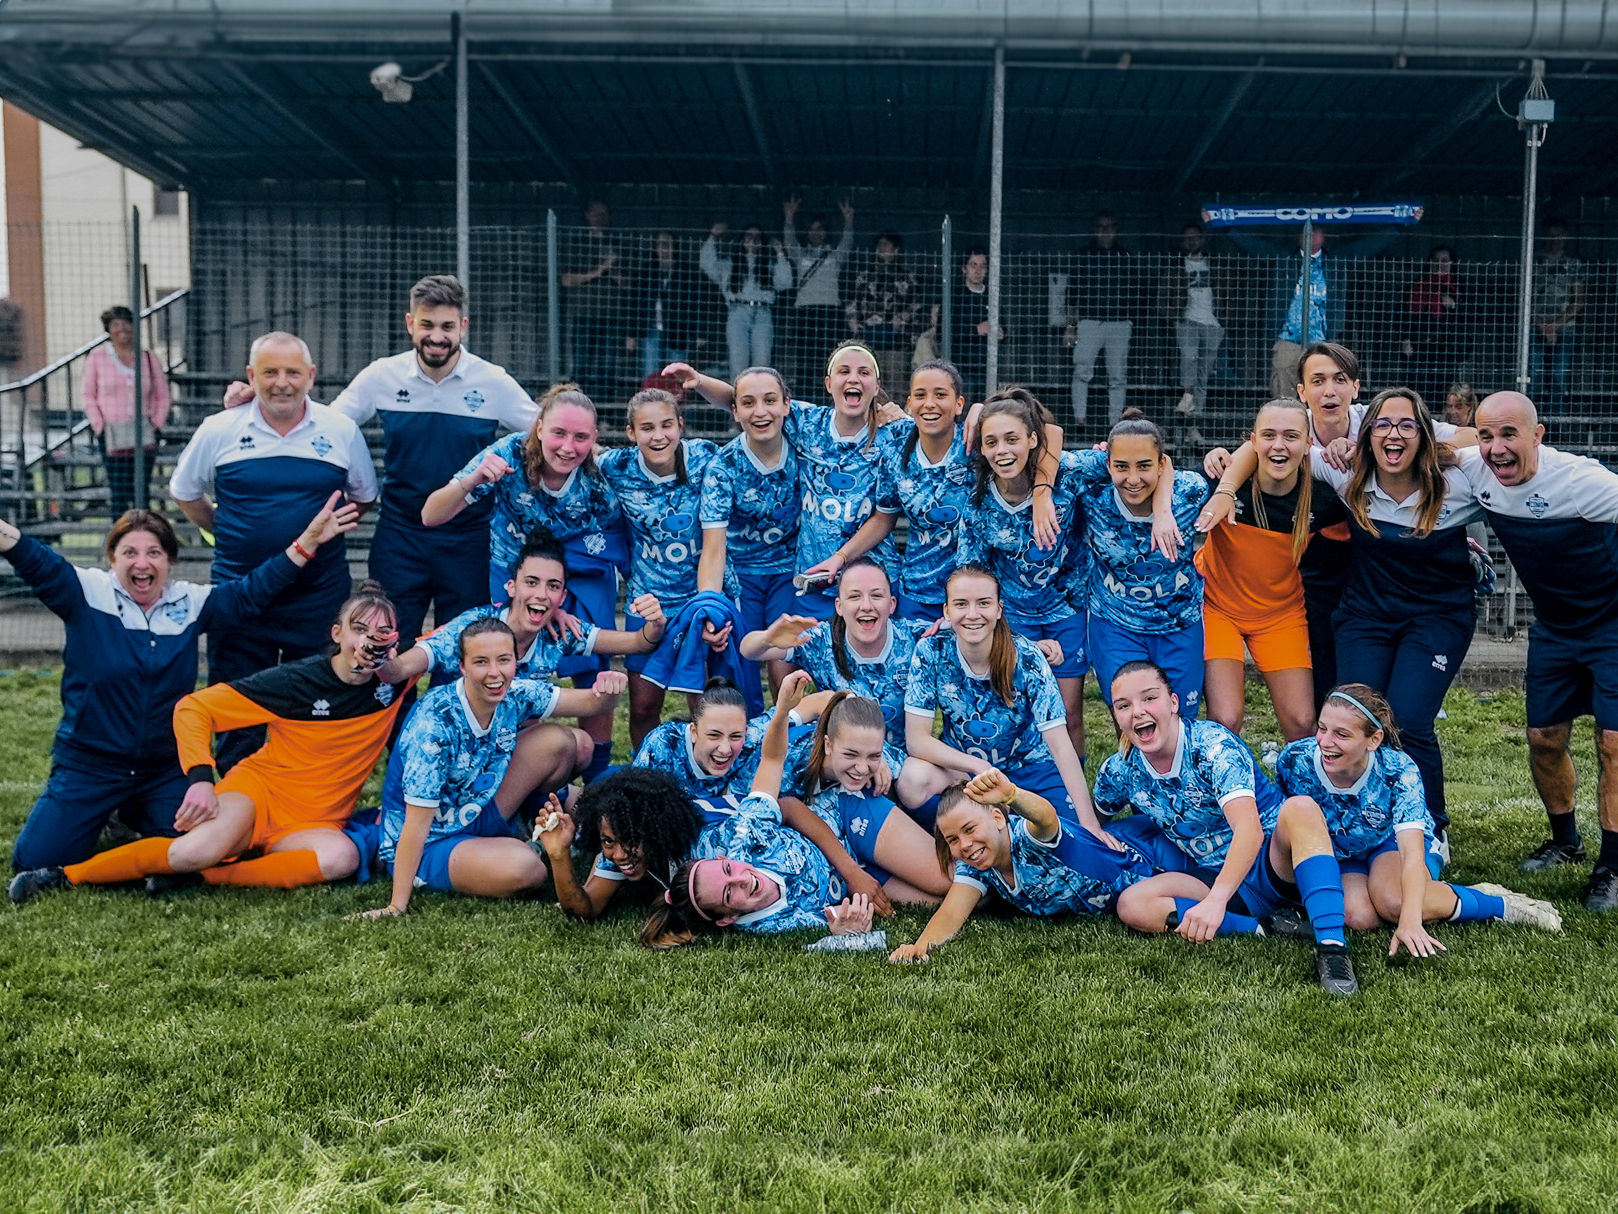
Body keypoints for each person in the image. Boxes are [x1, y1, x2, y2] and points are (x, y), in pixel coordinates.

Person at [4, 496, 357, 876]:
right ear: (112, 559)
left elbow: (252, 592)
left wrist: (307, 543)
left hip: (162, 768)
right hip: (91, 764)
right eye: (130, 552)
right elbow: (31, 556)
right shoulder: (86, 592)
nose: (142, 563)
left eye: (154, 552)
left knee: (196, 854)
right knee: (35, 861)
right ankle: (106, 810)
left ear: (170, 561)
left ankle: (131, 812)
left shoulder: (189, 602)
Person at [11, 583, 409, 902]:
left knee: (341, 859)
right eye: (359, 629)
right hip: (260, 793)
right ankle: (66, 875)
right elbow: (194, 708)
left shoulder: (396, 677)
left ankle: (206, 878)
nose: (368, 641)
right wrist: (201, 779)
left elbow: (446, 634)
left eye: (381, 633)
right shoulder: (297, 681)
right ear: (337, 633)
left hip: (317, 820)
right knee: (193, 850)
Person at [1201, 341, 1471, 713]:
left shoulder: (1377, 424)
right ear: (1302, 392)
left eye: (1339, 379)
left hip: (1372, 558)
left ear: (1356, 387)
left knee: (1389, 684)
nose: (1329, 390)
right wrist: (1226, 484)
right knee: (1329, 677)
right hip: (1317, 562)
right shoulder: (1294, 428)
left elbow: (1468, 437)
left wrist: (1378, 453)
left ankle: (1405, 704)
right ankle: (1332, 727)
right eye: (1318, 380)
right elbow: (1255, 447)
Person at [282, 274, 540, 647]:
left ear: (463, 327)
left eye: (447, 326)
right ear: (410, 324)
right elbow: (326, 425)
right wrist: (258, 403)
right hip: (400, 536)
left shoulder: (492, 381)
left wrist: (600, 455)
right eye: (427, 325)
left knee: (464, 648)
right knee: (388, 644)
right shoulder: (382, 376)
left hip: (469, 539)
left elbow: (548, 432)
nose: (437, 336)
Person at [169, 331, 378, 772]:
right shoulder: (219, 429)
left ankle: (307, 801)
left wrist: (324, 531)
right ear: (251, 375)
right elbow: (185, 492)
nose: (282, 382)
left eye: (292, 372)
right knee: (237, 719)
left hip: (317, 599)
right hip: (242, 599)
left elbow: (363, 495)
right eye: (270, 372)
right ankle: (236, 801)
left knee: (315, 716)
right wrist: (225, 529)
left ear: (311, 376)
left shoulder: (340, 430)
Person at [1096, 661, 1359, 997]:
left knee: (1301, 808)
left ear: (1173, 702)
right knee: (1133, 905)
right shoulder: (1120, 770)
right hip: (1216, 874)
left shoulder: (1213, 746)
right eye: (1123, 706)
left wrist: (1215, 901)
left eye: (1149, 698)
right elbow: (1094, 820)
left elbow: (1250, 831)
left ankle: (1333, 950)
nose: (1137, 712)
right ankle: (1267, 928)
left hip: (1272, 863)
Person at [1300, 388, 1480, 842]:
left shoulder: (1459, 480)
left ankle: (1430, 828)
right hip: (1366, 619)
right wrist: (1224, 470)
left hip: (1437, 618)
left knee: (1409, 721)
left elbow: (1497, 447)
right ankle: (1361, 822)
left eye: (1406, 425)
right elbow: (1279, 446)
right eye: (1382, 424)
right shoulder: (1348, 474)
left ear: (1424, 435)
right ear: (1367, 435)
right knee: (1356, 717)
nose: (1393, 434)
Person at [421, 384, 624, 782]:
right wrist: (473, 479)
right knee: (510, 662)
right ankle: (506, 763)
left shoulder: (599, 477)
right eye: (558, 433)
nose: (568, 447)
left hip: (580, 570)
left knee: (590, 661)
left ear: (594, 439)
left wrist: (559, 596)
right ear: (539, 427)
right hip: (513, 571)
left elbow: (619, 536)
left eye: (581, 437)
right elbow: (431, 514)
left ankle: (597, 783)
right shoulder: (509, 455)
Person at [1462, 391, 1618, 909]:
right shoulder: (1476, 468)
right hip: (1554, 629)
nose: (1497, 448)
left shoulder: (1583, 482)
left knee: (1613, 743)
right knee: (1543, 738)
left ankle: (1612, 867)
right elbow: (1430, 442)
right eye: (1486, 436)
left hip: (1613, 627)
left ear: (1538, 435)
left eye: (1509, 434)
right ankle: (1566, 842)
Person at [361, 618, 628, 916]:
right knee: (526, 869)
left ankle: (524, 825)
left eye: (504, 660)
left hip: (481, 804)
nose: (494, 672)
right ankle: (516, 843)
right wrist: (396, 905)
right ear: (461, 667)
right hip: (432, 838)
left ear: (516, 661)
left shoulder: (515, 693)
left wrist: (611, 688)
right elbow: (416, 824)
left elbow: (592, 703)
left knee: (559, 741)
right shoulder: (434, 725)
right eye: (481, 662)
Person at [1275, 683, 1561, 953]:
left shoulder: (1399, 770)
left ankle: (1498, 904)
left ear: (1374, 739)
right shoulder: (1295, 759)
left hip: (1390, 844)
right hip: (1341, 855)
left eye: (1342, 734)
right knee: (1358, 917)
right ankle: (1441, 895)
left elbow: (1411, 854)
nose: (1325, 741)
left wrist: (1410, 922)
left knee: (1394, 903)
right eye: (1322, 728)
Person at [955, 388, 1135, 763]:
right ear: (982, 449)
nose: (1002, 451)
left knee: (1068, 713)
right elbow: (971, 571)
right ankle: (1020, 786)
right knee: (1018, 711)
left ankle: (1071, 791)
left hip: (1067, 610)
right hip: (1013, 615)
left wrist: (1045, 489)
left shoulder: (1067, 472)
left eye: (1012, 439)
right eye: (992, 442)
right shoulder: (978, 501)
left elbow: (1137, 457)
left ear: (1033, 440)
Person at [641, 671, 878, 944]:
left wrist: (869, 755)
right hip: (853, 871)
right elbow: (832, 925)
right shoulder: (766, 923)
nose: (740, 880)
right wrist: (846, 931)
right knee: (910, 895)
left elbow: (774, 758)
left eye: (728, 870)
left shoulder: (747, 831)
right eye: (728, 894)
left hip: (842, 819)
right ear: (728, 919)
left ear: (723, 858)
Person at [902, 564, 1116, 847]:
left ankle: (1009, 829)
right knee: (912, 779)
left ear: (999, 609)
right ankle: (948, 845)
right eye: (961, 604)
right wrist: (978, 766)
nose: (973, 614)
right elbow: (917, 741)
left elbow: (1060, 744)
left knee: (1068, 843)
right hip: (965, 772)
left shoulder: (1027, 657)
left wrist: (1089, 823)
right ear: (946, 611)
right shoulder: (931, 650)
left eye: (984, 603)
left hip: (1030, 768)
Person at [888, 768, 1160, 963]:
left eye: (970, 829)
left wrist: (1012, 795)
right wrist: (920, 947)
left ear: (997, 818)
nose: (965, 844)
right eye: (953, 840)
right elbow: (950, 914)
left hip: (1145, 864)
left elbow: (1047, 818)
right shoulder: (974, 865)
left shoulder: (1025, 837)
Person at [1194, 398, 1347, 742]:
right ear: (1253, 442)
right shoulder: (1223, 481)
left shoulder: (1323, 500)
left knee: (1302, 722)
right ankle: (1225, 777)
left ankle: (1299, 779)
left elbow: (1359, 540)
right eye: (1268, 435)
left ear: (1308, 444)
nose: (1279, 445)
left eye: (1291, 436)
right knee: (1225, 719)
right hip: (1218, 610)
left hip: (1281, 614)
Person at [598, 387, 731, 746]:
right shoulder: (616, 467)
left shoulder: (705, 458)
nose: (658, 436)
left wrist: (709, 606)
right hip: (647, 601)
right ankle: (647, 771)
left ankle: (705, 770)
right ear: (631, 433)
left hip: (698, 596)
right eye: (647, 428)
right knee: (643, 707)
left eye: (666, 425)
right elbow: (581, 457)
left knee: (705, 705)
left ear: (680, 425)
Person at [379, 526, 663, 693]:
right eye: (531, 582)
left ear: (562, 597)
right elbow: (398, 670)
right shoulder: (473, 627)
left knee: (571, 744)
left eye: (553, 586)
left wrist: (655, 622)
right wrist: (379, 657)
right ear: (511, 587)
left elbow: (638, 643)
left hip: (504, 744)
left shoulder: (559, 631)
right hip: (444, 743)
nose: (541, 594)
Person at [741, 559, 929, 803]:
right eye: (854, 597)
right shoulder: (821, 640)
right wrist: (768, 638)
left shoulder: (917, 638)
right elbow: (748, 650)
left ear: (892, 604)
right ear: (839, 606)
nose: (866, 606)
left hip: (901, 767)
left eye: (876, 596)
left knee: (917, 778)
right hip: (842, 765)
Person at [1077, 410, 1210, 721]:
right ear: (1107, 464)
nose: (1133, 478)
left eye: (1144, 466)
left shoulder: (1191, 492)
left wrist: (1163, 509)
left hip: (1179, 624)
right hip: (1116, 623)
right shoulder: (1091, 495)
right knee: (1130, 715)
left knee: (1179, 719)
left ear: (1162, 465)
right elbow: (1041, 451)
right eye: (1121, 466)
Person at [779, 691, 952, 909]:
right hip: (838, 830)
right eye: (850, 755)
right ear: (828, 745)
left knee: (948, 882)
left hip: (860, 811)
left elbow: (944, 778)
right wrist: (851, 872)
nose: (862, 768)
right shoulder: (789, 761)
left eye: (873, 755)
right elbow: (785, 806)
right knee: (940, 899)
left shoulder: (881, 758)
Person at [695, 366, 800, 699]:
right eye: (748, 403)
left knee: (784, 667)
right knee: (739, 670)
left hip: (791, 571)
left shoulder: (805, 449)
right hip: (741, 576)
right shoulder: (722, 467)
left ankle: (789, 728)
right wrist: (709, 606)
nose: (760, 412)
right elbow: (714, 548)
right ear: (735, 411)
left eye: (770, 400)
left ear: (786, 405)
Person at [1226, 222, 1408, 399]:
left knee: (1321, 386)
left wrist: (1400, 225)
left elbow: (1368, 246)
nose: (1311, 236)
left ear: (1324, 237)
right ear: (1299, 237)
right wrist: (1225, 226)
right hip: (1288, 337)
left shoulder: (1336, 260)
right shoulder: (1284, 257)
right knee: (1283, 387)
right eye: (1307, 232)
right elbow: (1252, 246)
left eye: (1316, 232)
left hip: (1324, 339)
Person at [544, 767, 717, 919]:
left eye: (631, 839)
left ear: (655, 832)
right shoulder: (617, 844)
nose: (619, 855)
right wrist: (559, 854)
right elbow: (583, 910)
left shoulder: (705, 848)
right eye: (608, 841)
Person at [82, 305, 170, 515]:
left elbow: (163, 394)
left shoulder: (148, 358)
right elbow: (88, 395)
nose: (122, 329)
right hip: (112, 433)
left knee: (141, 489)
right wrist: (99, 425)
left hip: (143, 430)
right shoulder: (98, 358)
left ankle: (145, 529)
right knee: (119, 490)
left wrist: (156, 423)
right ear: (108, 330)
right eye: (115, 324)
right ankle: (120, 530)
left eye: (126, 323)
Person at [1065, 213, 1135, 430]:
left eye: (1110, 226)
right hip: (1089, 323)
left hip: (1119, 323)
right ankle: (1080, 419)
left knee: (1117, 376)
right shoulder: (1083, 255)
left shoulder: (1125, 256)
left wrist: (1131, 321)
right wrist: (1071, 326)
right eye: (1101, 227)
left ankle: (1115, 423)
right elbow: (1071, 293)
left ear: (1116, 229)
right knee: (1082, 371)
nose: (1105, 231)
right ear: (1094, 229)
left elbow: (1137, 292)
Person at [700, 221, 793, 383]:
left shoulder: (769, 265)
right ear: (742, 239)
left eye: (757, 237)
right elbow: (707, 265)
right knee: (738, 362)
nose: (752, 240)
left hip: (763, 313)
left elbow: (786, 282)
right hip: (737, 312)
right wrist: (713, 237)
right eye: (749, 236)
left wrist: (780, 254)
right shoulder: (729, 264)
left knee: (762, 363)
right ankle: (739, 396)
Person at [1159, 222, 1224, 447]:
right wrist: (1174, 317)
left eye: (1195, 237)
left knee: (1203, 376)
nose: (1192, 241)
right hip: (1187, 320)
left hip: (1213, 324)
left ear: (1203, 239)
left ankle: (1193, 425)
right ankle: (1187, 396)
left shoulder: (1216, 264)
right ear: (1182, 242)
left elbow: (1228, 290)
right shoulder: (1175, 266)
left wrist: (1225, 319)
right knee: (1189, 358)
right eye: (1188, 238)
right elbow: (1163, 296)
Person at [624, 231, 721, 379]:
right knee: (650, 371)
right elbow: (635, 304)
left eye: (667, 244)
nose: (664, 248)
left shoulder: (687, 272)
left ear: (674, 246)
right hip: (651, 328)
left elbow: (697, 304)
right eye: (660, 244)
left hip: (678, 329)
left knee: (678, 373)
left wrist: (700, 333)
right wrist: (631, 334)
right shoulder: (646, 272)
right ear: (655, 248)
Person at [783, 196, 856, 386]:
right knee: (804, 359)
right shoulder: (800, 255)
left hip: (830, 310)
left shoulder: (834, 255)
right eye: (813, 229)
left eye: (820, 229)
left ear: (826, 232)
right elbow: (789, 242)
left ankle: (830, 395)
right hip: (805, 310)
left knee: (830, 358)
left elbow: (847, 243)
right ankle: (805, 395)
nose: (816, 233)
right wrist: (789, 218)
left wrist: (848, 221)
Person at [561, 199, 627, 404]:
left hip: (610, 316)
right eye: (596, 213)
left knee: (607, 367)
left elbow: (628, 283)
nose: (600, 217)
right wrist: (599, 270)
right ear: (587, 215)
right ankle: (575, 408)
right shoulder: (577, 243)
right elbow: (566, 280)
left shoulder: (617, 243)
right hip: (583, 315)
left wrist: (613, 269)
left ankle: (605, 412)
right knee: (581, 366)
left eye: (603, 213)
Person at [846, 232, 922, 380]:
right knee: (870, 379)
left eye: (887, 244)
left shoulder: (908, 276)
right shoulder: (864, 275)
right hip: (868, 334)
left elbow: (917, 303)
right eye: (880, 244)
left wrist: (903, 317)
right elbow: (852, 300)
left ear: (896, 249)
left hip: (897, 336)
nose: (882, 247)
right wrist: (852, 320)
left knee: (895, 378)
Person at [1529, 219, 1585, 415]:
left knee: (1559, 377)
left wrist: (1555, 326)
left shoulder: (1573, 264)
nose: (1554, 240)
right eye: (1551, 236)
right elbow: (1524, 297)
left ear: (1566, 237)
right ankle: (1530, 421)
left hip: (1565, 329)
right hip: (1535, 326)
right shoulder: (1533, 261)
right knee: (1532, 377)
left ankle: (1556, 423)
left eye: (1558, 235)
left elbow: (1578, 300)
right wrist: (1542, 325)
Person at [1400, 246, 1464, 412]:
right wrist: (1405, 339)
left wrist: (1454, 306)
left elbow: (1470, 317)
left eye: (1444, 261)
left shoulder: (1459, 286)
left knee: (1443, 387)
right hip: (1419, 345)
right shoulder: (1417, 285)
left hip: (1447, 347)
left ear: (1452, 263)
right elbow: (1403, 315)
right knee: (1416, 386)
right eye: (1436, 260)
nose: (1439, 264)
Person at [949, 250, 993, 403]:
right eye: (973, 265)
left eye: (982, 266)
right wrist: (975, 330)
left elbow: (1004, 325)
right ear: (964, 269)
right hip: (961, 366)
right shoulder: (954, 297)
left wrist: (1000, 332)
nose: (978, 271)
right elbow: (943, 332)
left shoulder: (993, 295)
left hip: (987, 367)